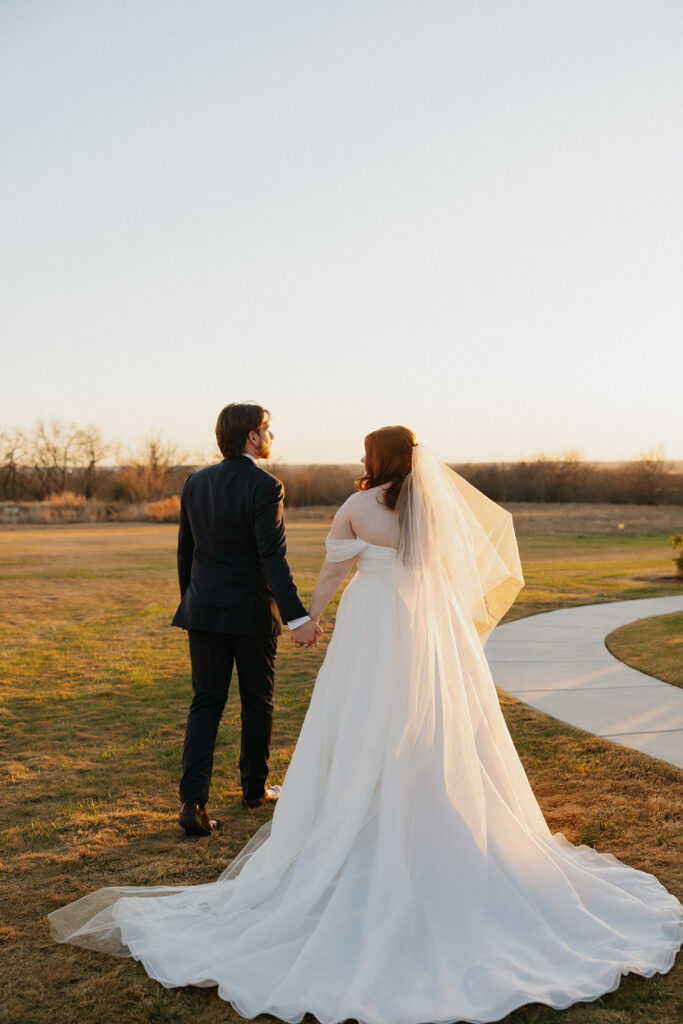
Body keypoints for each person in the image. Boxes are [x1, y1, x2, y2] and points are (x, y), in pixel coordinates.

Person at [49, 426, 681, 1024]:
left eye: (364, 453)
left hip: (373, 629)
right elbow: (455, 574)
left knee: (360, 724)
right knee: (435, 724)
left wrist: (307, 619)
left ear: (377, 459)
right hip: (432, 635)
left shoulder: (357, 507)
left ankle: (358, 819)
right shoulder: (431, 507)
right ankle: (439, 815)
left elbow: (332, 571)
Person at [172, 402, 321, 835]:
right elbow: (272, 557)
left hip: (203, 612)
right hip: (252, 614)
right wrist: (297, 619)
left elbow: (186, 553)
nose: (272, 436)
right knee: (257, 704)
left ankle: (192, 802)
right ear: (252, 437)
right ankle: (254, 790)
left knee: (206, 704)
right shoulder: (266, 485)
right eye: (268, 429)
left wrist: (193, 602)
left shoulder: (195, 482)